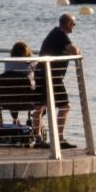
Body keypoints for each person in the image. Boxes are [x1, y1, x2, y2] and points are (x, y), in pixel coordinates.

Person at [38, 13, 81, 146]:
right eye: (73, 24)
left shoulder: (55, 33)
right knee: (65, 107)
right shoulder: (60, 34)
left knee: (40, 107)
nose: (73, 28)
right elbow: (74, 51)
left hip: (43, 74)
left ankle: (39, 139)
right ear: (68, 23)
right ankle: (59, 139)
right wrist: (79, 51)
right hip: (51, 76)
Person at [0, 42, 39, 130]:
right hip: (26, 99)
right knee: (41, 98)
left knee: (12, 90)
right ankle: (36, 121)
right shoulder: (31, 63)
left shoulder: (7, 62)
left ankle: (15, 120)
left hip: (7, 99)